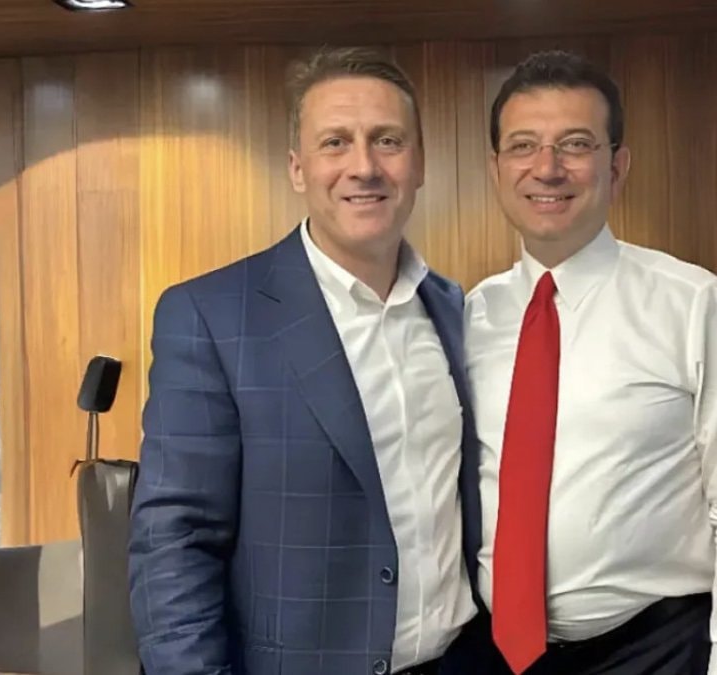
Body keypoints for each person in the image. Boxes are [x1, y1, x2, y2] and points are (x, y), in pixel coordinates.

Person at [128, 46, 482, 675]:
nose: (364, 167)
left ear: (420, 163)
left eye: (388, 141)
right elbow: (175, 540)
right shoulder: (213, 316)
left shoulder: (453, 308)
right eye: (335, 143)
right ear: (298, 168)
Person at [463, 50, 717, 675]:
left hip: (658, 650)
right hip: (496, 655)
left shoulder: (694, 305)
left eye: (576, 144)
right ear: (496, 168)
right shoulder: (472, 316)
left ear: (617, 166)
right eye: (523, 146)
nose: (547, 168)